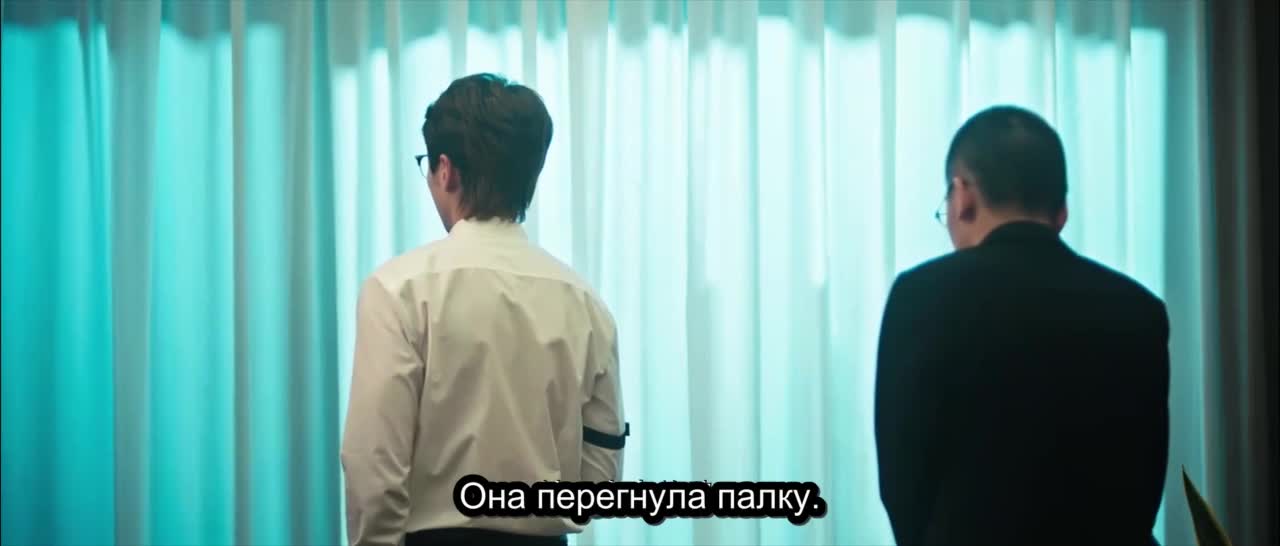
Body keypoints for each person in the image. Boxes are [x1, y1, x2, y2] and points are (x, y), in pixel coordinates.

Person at [341, 73, 627, 546]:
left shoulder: (398, 290)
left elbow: (373, 464)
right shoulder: (586, 305)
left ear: (446, 170)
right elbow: (601, 478)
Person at [874, 106, 1170, 545]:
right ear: (1061, 211)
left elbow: (903, 485)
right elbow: (1143, 487)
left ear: (962, 195)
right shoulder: (1138, 310)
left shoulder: (921, 297)